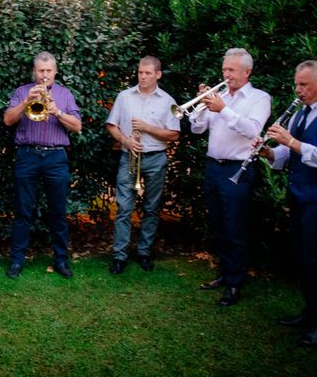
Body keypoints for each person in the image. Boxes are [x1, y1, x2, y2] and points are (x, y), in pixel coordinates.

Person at [190, 48, 271, 306]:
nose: (226, 74)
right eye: (225, 69)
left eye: (232, 70)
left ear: (247, 72)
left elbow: (252, 129)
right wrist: (202, 106)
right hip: (214, 167)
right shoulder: (220, 96)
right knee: (218, 225)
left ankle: (235, 283)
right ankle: (225, 273)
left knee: (235, 227)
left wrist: (223, 109)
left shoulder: (259, 98)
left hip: (238, 169)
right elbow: (196, 127)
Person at [4, 51, 82, 279]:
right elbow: (8, 120)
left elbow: (77, 126)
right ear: (34, 71)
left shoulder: (65, 94)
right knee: (22, 211)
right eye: (41, 70)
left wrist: (57, 111)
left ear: (55, 72)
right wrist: (27, 102)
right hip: (27, 155)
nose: (44, 75)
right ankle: (17, 260)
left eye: (48, 71)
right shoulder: (21, 92)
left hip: (56, 158)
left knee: (58, 212)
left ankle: (61, 260)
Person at [256, 60, 317, 347]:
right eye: (297, 83)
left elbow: (304, 150)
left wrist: (291, 141)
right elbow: (286, 156)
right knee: (305, 258)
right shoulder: (300, 114)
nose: (298, 89)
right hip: (299, 198)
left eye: (304, 84)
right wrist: (267, 151)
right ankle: (309, 313)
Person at [106, 56, 180, 274]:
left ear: (158, 74)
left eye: (148, 73)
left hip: (156, 158)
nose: (143, 76)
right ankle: (119, 255)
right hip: (129, 155)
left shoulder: (168, 101)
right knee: (124, 208)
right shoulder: (124, 96)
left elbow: (174, 134)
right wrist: (126, 140)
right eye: (140, 72)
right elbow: (111, 125)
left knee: (151, 208)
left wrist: (147, 128)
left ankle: (144, 252)